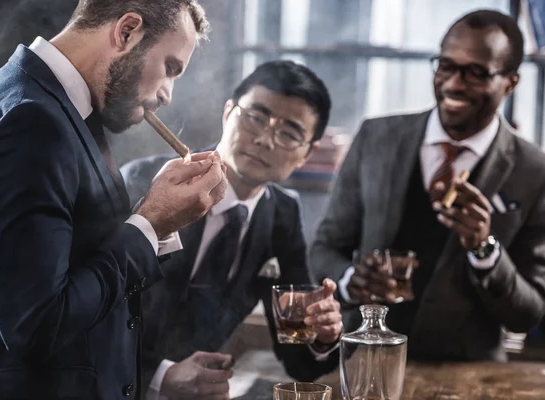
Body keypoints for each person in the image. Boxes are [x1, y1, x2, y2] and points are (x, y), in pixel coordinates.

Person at [0, 1, 228, 399]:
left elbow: (80, 258)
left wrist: (157, 219)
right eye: (170, 68)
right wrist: (150, 224)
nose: (167, 95)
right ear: (126, 30)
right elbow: (38, 325)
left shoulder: (58, 108)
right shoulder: (31, 121)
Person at [310, 9, 545, 362]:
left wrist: (485, 249)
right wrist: (348, 281)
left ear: (510, 82)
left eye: (476, 72)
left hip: (467, 380)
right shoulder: (376, 137)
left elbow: (527, 314)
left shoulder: (534, 170)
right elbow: (325, 248)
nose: (453, 83)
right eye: (446, 65)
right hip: (362, 366)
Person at [121, 60, 342, 400]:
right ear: (228, 114)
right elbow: (83, 321)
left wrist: (322, 334)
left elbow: (298, 361)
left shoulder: (282, 212)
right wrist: (159, 377)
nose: (265, 139)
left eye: (289, 133)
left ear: (307, 154)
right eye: (255, 117)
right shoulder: (142, 182)